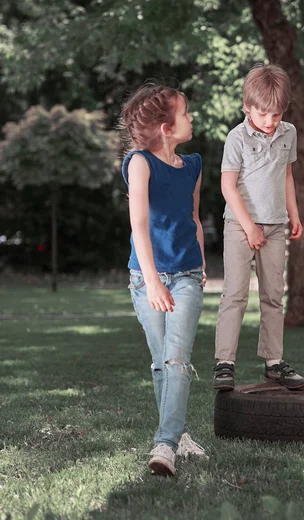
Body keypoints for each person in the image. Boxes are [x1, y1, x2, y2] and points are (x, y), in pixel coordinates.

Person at [120, 83, 207, 476]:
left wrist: (202, 263)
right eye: (185, 113)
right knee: (161, 363)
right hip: (146, 278)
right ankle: (181, 434)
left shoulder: (193, 165)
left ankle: (165, 445)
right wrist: (153, 281)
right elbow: (138, 224)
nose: (191, 118)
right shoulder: (139, 162)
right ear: (165, 127)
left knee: (176, 359)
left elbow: (193, 218)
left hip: (187, 274)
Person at [213, 64, 304, 391]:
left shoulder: (288, 133)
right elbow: (228, 187)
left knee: (273, 297)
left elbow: (286, 176)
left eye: (277, 114)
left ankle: (273, 362)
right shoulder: (236, 138)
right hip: (240, 226)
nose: (270, 121)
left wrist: (293, 215)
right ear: (247, 106)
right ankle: (225, 363)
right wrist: (250, 226)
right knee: (235, 294)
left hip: (277, 225)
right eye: (263, 113)